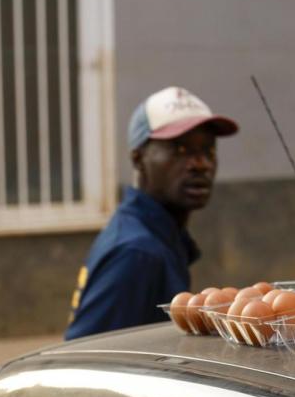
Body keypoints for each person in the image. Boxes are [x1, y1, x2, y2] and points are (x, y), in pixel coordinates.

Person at [65, 87, 238, 340]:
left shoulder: (160, 236)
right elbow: (86, 360)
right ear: (138, 159)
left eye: (208, 150)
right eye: (180, 149)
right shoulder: (137, 252)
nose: (200, 164)